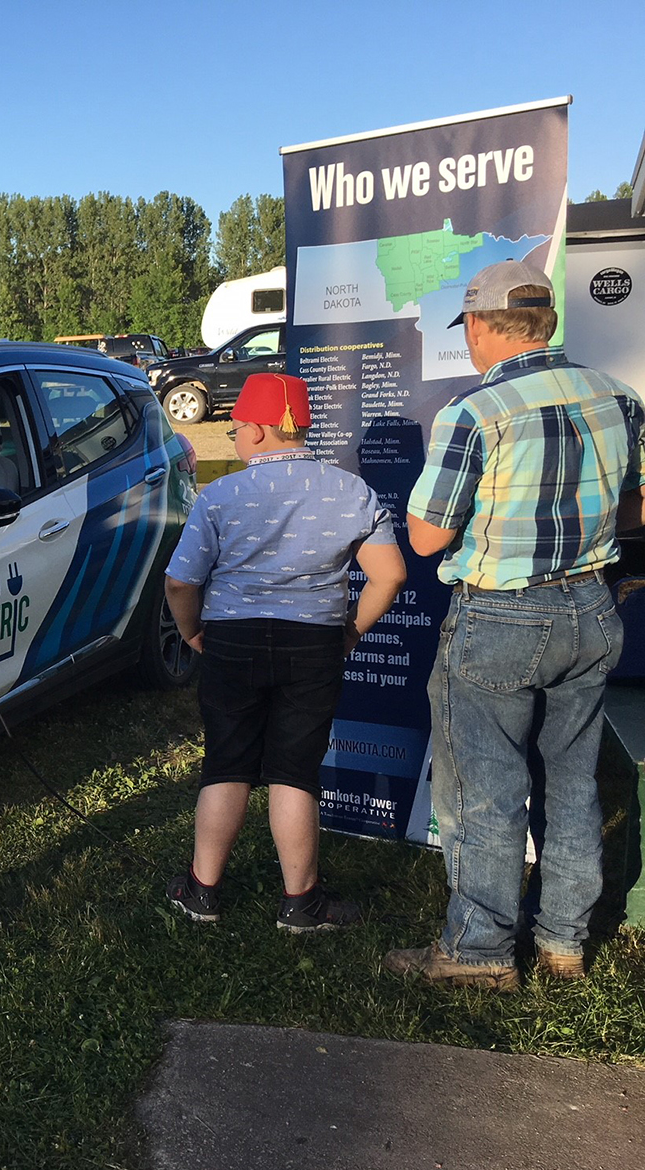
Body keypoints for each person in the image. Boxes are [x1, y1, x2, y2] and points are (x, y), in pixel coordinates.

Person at [384, 259, 645, 990]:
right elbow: (638, 506)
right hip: (592, 606)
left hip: (500, 611)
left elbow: (428, 536)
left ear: (482, 325)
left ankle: (478, 953)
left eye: (467, 325)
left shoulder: (473, 413)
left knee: (484, 787)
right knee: (572, 781)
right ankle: (564, 944)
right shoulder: (619, 397)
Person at [164, 373, 407, 931]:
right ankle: (301, 903)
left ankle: (202, 892)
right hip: (313, 643)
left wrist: (192, 631)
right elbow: (389, 576)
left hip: (232, 638)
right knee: (294, 771)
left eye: (236, 426)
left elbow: (181, 583)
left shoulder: (220, 494)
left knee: (226, 761)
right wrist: (348, 632)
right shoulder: (350, 490)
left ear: (253, 429)